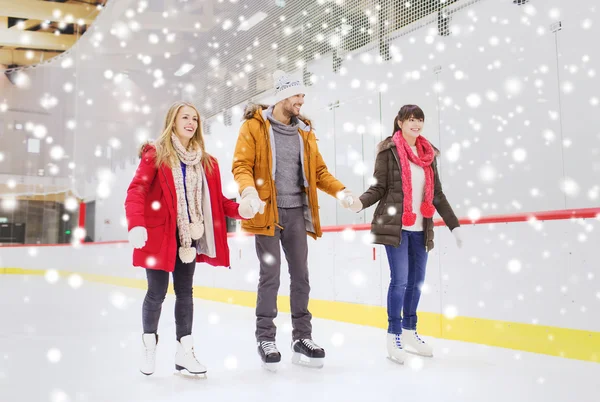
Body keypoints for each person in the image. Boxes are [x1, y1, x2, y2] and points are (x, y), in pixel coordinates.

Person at [232, 70, 354, 370]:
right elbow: (241, 164)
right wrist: (248, 192)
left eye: (302, 96)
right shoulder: (255, 127)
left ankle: (302, 337)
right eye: (298, 95)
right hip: (267, 212)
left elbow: (319, 172)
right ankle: (266, 337)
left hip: (297, 212)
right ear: (283, 96)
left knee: (301, 276)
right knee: (270, 277)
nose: (302, 100)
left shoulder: (304, 131)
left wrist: (343, 192)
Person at [124, 101, 257, 376]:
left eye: (195, 119)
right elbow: (136, 190)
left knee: (186, 294)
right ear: (172, 121)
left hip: (188, 240)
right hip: (159, 236)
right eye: (185, 117)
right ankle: (149, 346)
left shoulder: (206, 162)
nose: (191, 123)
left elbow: (216, 202)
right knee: (156, 293)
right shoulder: (156, 154)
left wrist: (240, 209)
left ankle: (184, 352)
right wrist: (136, 224)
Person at [347, 104, 463, 364]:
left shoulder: (427, 154)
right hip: (396, 227)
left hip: (421, 228)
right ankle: (394, 335)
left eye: (419, 119)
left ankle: (410, 330)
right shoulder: (388, 153)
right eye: (410, 119)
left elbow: (437, 195)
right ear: (399, 122)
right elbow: (378, 188)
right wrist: (359, 203)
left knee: (417, 281)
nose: (416, 124)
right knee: (399, 280)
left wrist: (454, 225)